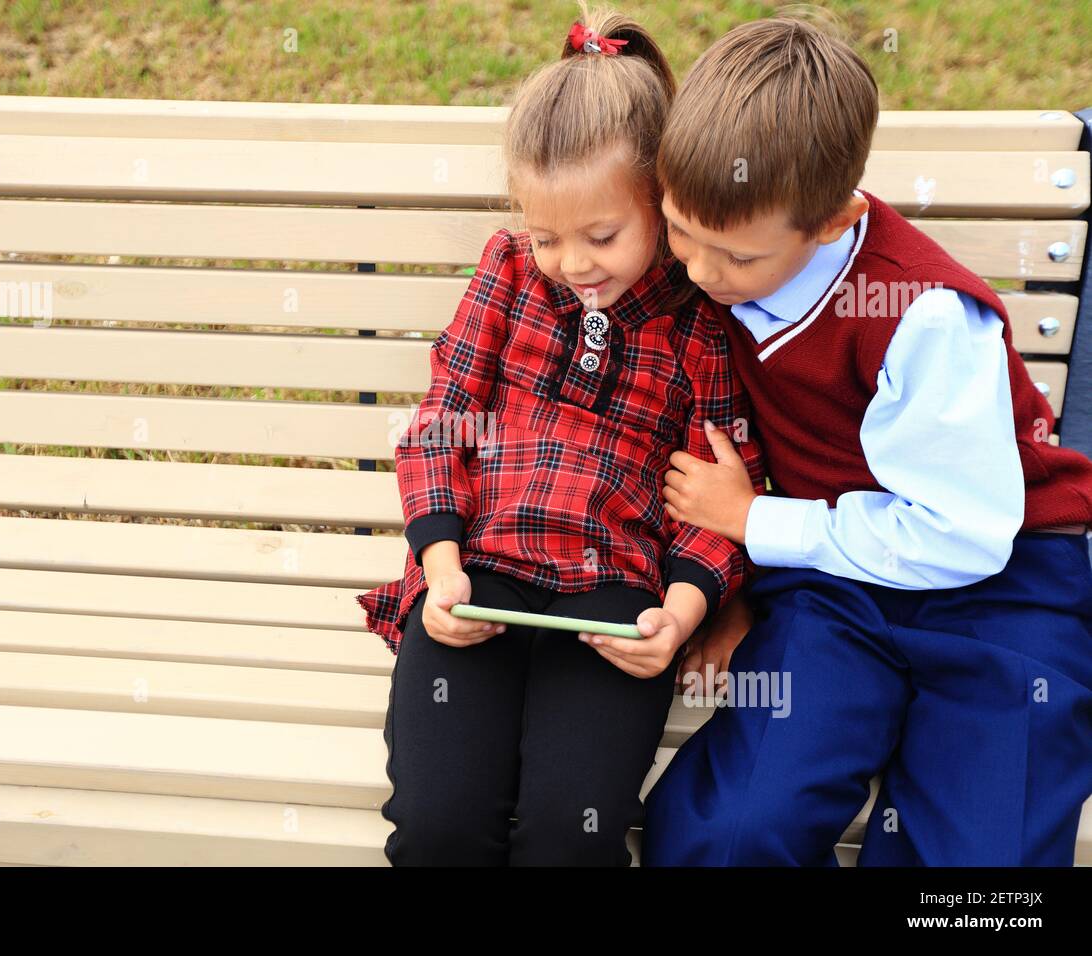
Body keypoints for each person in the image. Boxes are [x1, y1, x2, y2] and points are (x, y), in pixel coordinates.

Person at [631, 16, 1092, 866]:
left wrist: (755, 522)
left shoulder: (921, 317)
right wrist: (733, 592)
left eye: (732, 254)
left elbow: (961, 537)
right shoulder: (711, 274)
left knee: (984, 867)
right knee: (731, 832)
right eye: (678, 229)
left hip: (1002, 585)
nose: (697, 271)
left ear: (836, 222)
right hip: (833, 587)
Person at [354, 3, 765, 866]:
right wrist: (440, 570)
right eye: (548, 236)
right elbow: (439, 427)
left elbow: (728, 493)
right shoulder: (507, 276)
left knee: (567, 834)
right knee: (438, 824)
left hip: (612, 604)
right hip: (478, 579)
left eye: (601, 235)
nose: (573, 263)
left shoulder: (697, 322)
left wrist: (680, 615)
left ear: (660, 201)